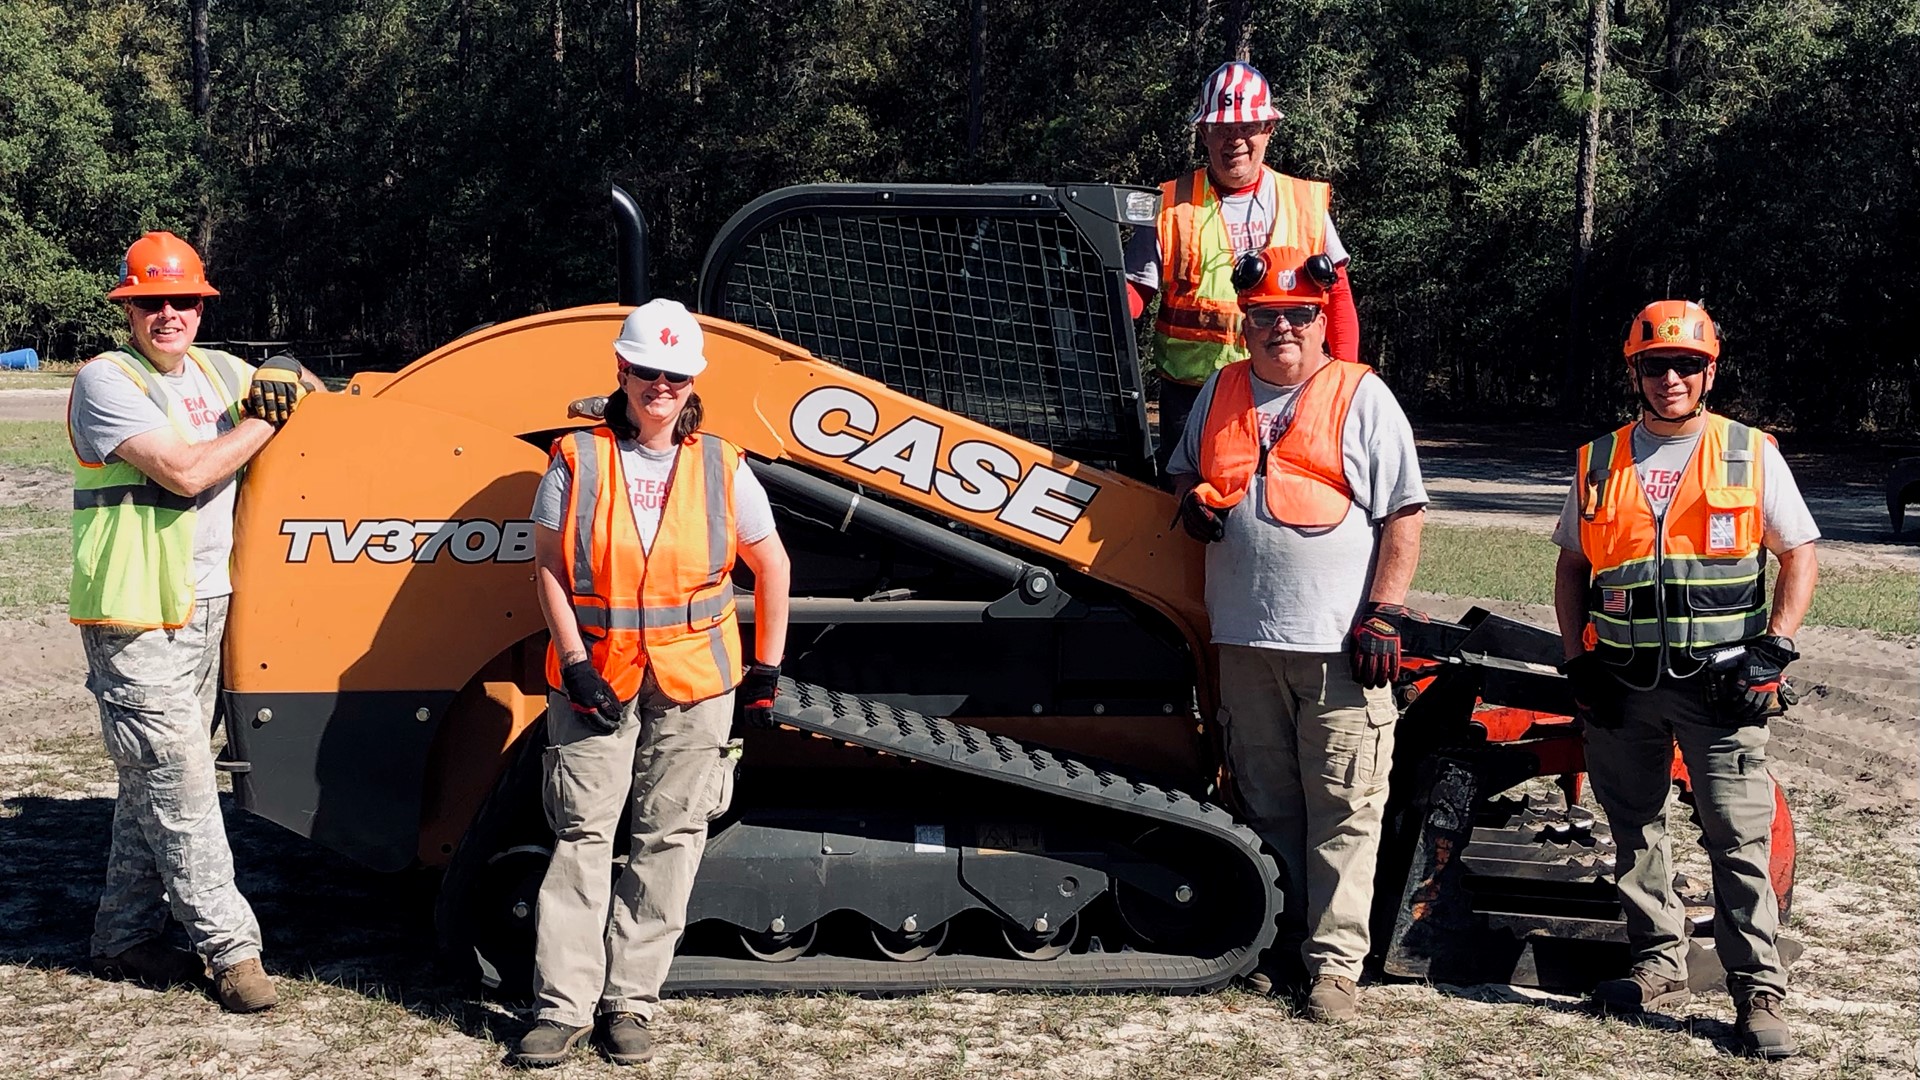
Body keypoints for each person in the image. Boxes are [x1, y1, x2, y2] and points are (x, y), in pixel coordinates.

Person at [514, 299, 792, 1068]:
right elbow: (546, 566)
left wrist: (765, 670)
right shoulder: (576, 458)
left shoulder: (721, 465)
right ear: (622, 372)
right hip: (595, 679)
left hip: (695, 681)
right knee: (582, 835)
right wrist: (573, 662)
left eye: (673, 374)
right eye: (646, 371)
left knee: (668, 837)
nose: (659, 386)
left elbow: (771, 565)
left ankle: (630, 1003)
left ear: (691, 380)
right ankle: (561, 1009)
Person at [1552, 299, 1817, 1060]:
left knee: (1738, 839)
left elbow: (1797, 555)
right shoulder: (1597, 459)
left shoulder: (1751, 452)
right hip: (1621, 684)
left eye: (1687, 364)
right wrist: (1577, 657)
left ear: (1710, 369)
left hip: (1724, 687)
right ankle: (1657, 963)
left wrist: (1777, 648)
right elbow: (1572, 566)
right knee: (1635, 832)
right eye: (1656, 364)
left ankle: (1759, 991)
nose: (1671, 377)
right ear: (1634, 369)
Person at [1166, 247, 1426, 1021]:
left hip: (1335, 648)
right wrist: (1192, 502)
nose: (1283, 328)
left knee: (1344, 807)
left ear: (1321, 320)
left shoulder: (1361, 395)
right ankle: (1278, 948)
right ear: (1246, 323)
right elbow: (1186, 473)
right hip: (1245, 642)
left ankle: (1335, 969)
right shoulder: (1220, 388)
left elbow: (1404, 514)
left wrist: (1384, 612)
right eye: (1267, 315)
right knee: (1268, 801)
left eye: (1299, 315)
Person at [71, 230, 319, 1012]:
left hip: (210, 606)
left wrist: (285, 371)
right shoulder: (105, 381)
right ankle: (232, 951)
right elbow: (185, 473)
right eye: (151, 302)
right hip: (136, 617)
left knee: (152, 781)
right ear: (128, 310)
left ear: (202, 305)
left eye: (182, 299)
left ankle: (124, 936)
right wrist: (267, 420)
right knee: (182, 786)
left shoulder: (219, 371)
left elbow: (305, 387)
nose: (168, 313)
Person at [1126, 60, 1362, 475]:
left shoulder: (1304, 203)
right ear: (1204, 134)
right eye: (1222, 129)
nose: (1235, 140)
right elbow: (1130, 298)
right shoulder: (1166, 204)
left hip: (1289, 390)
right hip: (1193, 399)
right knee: (1189, 513)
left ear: (1268, 130)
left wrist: (1345, 386)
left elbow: (1337, 297)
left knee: (1284, 504)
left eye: (1248, 127)